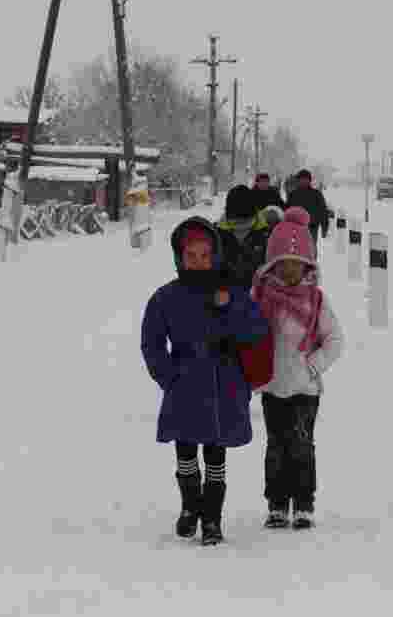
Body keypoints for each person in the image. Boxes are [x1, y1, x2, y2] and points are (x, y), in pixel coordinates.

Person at [140, 217, 270, 546]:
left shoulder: (232, 293)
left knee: (215, 454)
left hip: (223, 383)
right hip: (184, 383)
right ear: (179, 259)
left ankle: (212, 518)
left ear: (215, 255)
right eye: (191, 256)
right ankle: (189, 507)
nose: (199, 262)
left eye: (205, 255)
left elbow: (255, 330)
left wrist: (229, 308)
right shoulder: (165, 297)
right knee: (185, 451)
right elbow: (152, 342)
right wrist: (168, 377)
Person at [251, 206, 344, 530]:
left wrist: (312, 367)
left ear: (307, 264)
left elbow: (334, 341)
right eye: (282, 264)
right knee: (276, 446)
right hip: (273, 385)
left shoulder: (315, 300)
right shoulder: (260, 296)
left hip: (305, 389)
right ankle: (277, 503)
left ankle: (303, 502)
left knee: (302, 444)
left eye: (297, 264)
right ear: (272, 264)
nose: (290, 270)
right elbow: (248, 334)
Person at [216, 184, 272, 289]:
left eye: (245, 222)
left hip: (258, 295)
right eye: (236, 222)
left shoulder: (267, 235)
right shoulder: (216, 234)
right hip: (224, 296)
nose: (240, 226)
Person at [285, 169, 330, 261]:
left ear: (310, 180)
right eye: (301, 179)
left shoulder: (316, 194)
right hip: (295, 227)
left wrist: (325, 227)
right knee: (296, 249)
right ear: (298, 181)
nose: (303, 181)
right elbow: (287, 211)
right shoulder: (293, 194)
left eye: (306, 179)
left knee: (311, 248)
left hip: (312, 226)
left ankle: (311, 266)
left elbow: (323, 210)